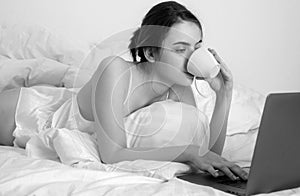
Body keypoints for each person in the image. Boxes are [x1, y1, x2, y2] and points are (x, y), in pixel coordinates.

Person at [0, 1, 248, 181]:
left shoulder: (178, 89)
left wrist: (223, 93)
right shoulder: (115, 70)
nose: (191, 59)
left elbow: (211, 157)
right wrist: (187, 153)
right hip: (21, 113)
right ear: (151, 53)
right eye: (180, 49)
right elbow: (112, 154)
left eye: (196, 48)